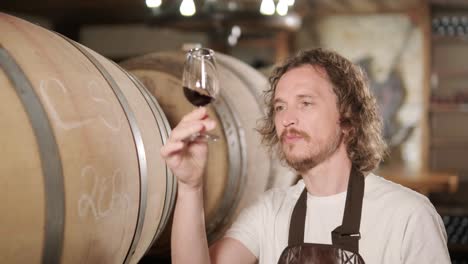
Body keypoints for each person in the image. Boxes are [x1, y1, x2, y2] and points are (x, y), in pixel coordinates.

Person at [160, 48, 450, 264]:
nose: (287, 119)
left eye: (305, 103)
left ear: (348, 120)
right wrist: (189, 187)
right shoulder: (270, 211)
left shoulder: (408, 215)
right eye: (280, 107)